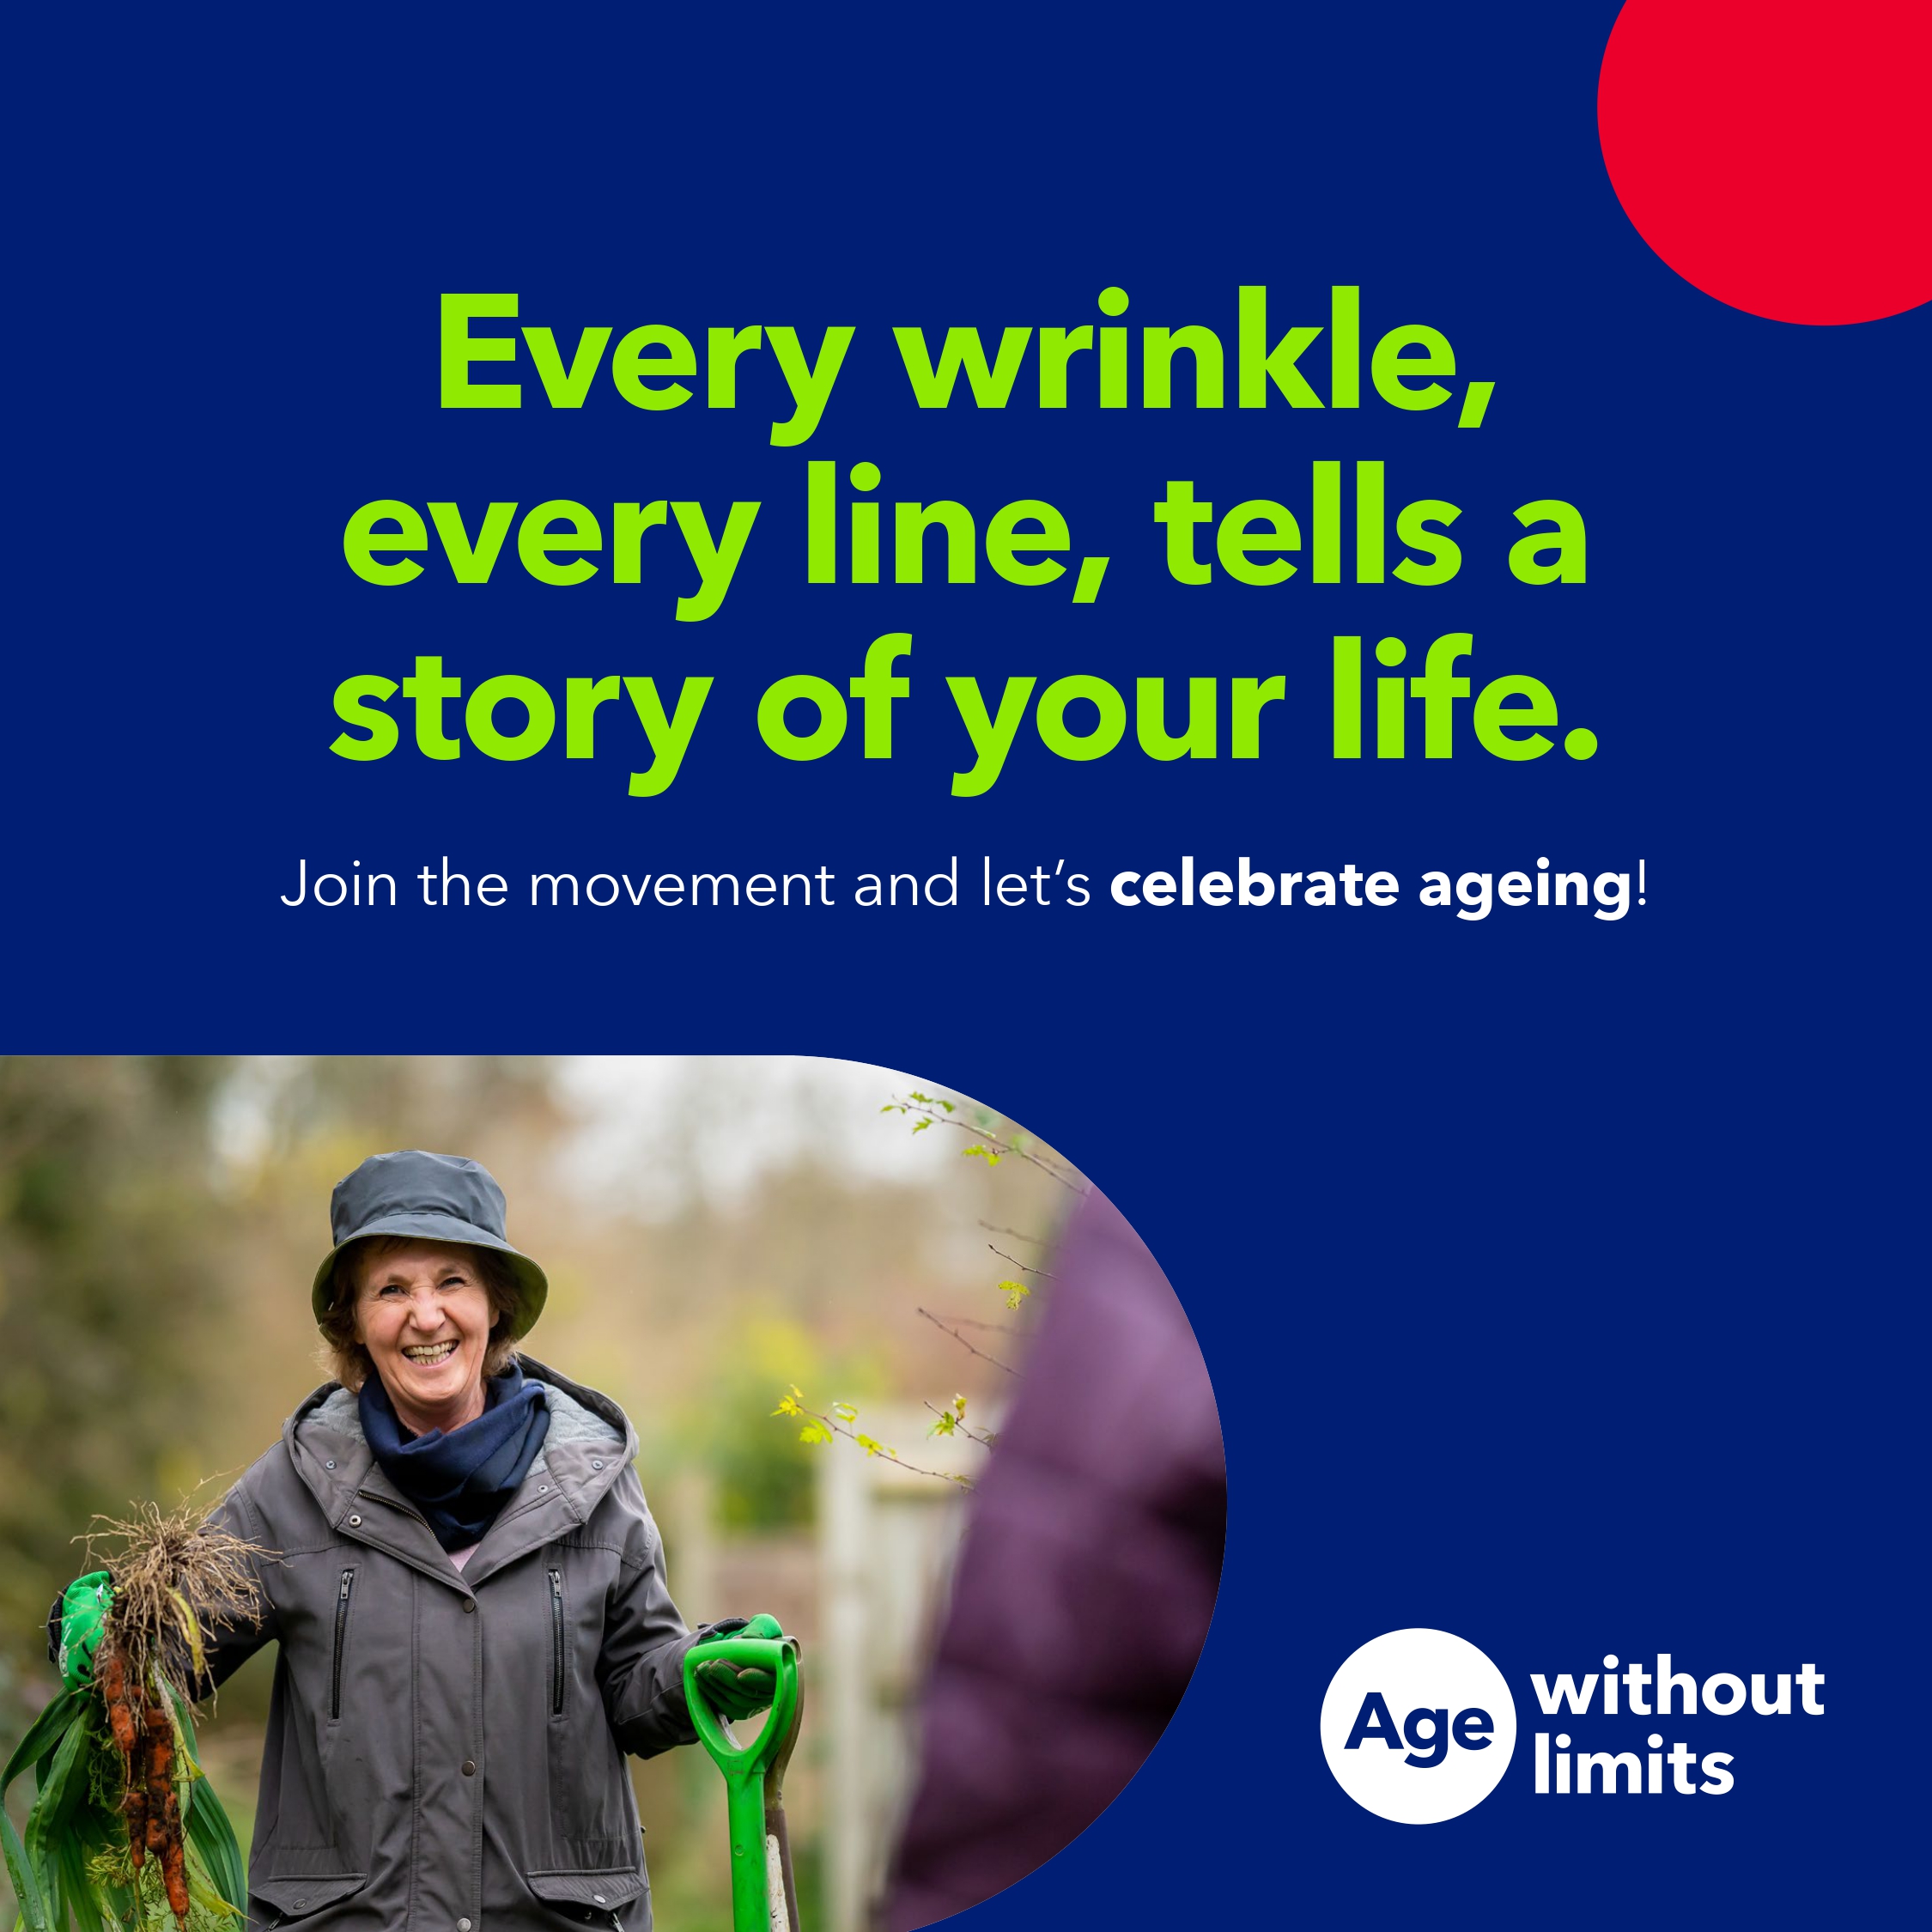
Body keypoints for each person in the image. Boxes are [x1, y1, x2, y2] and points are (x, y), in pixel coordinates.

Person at [51, 1149, 780, 1932]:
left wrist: (700, 1672)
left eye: (451, 1283)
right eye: (391, 1289)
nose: (424, 1316)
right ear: (353, 1322)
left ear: (494, 1305)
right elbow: (167, 1659)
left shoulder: (590, 1481)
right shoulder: (294, 1488)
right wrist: (97, 1631)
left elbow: (636, 1691)